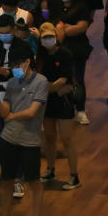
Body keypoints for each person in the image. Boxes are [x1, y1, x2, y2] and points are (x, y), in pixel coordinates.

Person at [0, 55, 48, 216]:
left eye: (17, 65)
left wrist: (12, 117)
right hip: (9, 139)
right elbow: (4, 112)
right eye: (12, 66)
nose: (15, 69)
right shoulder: (12, 83)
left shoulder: (41, 82)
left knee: (33, 183)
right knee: (6, 180)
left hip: (30, 141)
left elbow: (32, 112)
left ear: (27, 62)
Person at [34, 22, 80, 189]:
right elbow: (40, 80)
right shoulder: (40, 57)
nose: (48, 40)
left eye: (50, 37)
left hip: (64, 103)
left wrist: (47, 87)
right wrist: (53, 88)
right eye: (44, 37)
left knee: (67, 139)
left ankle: (74, 176)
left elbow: (64, 80)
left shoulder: (65, 54)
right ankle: (50, 169)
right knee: (49, 138)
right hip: (48, 103)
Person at [48, 0, 95, 125]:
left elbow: (82, 27)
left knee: (78, 79)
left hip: (77, 49)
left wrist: (63, 28)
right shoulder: (55, 5)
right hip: (58, 51)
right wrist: (66, 27)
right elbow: (51, 27)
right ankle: (61, 109)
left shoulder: (81, 6)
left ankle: (80, 110)